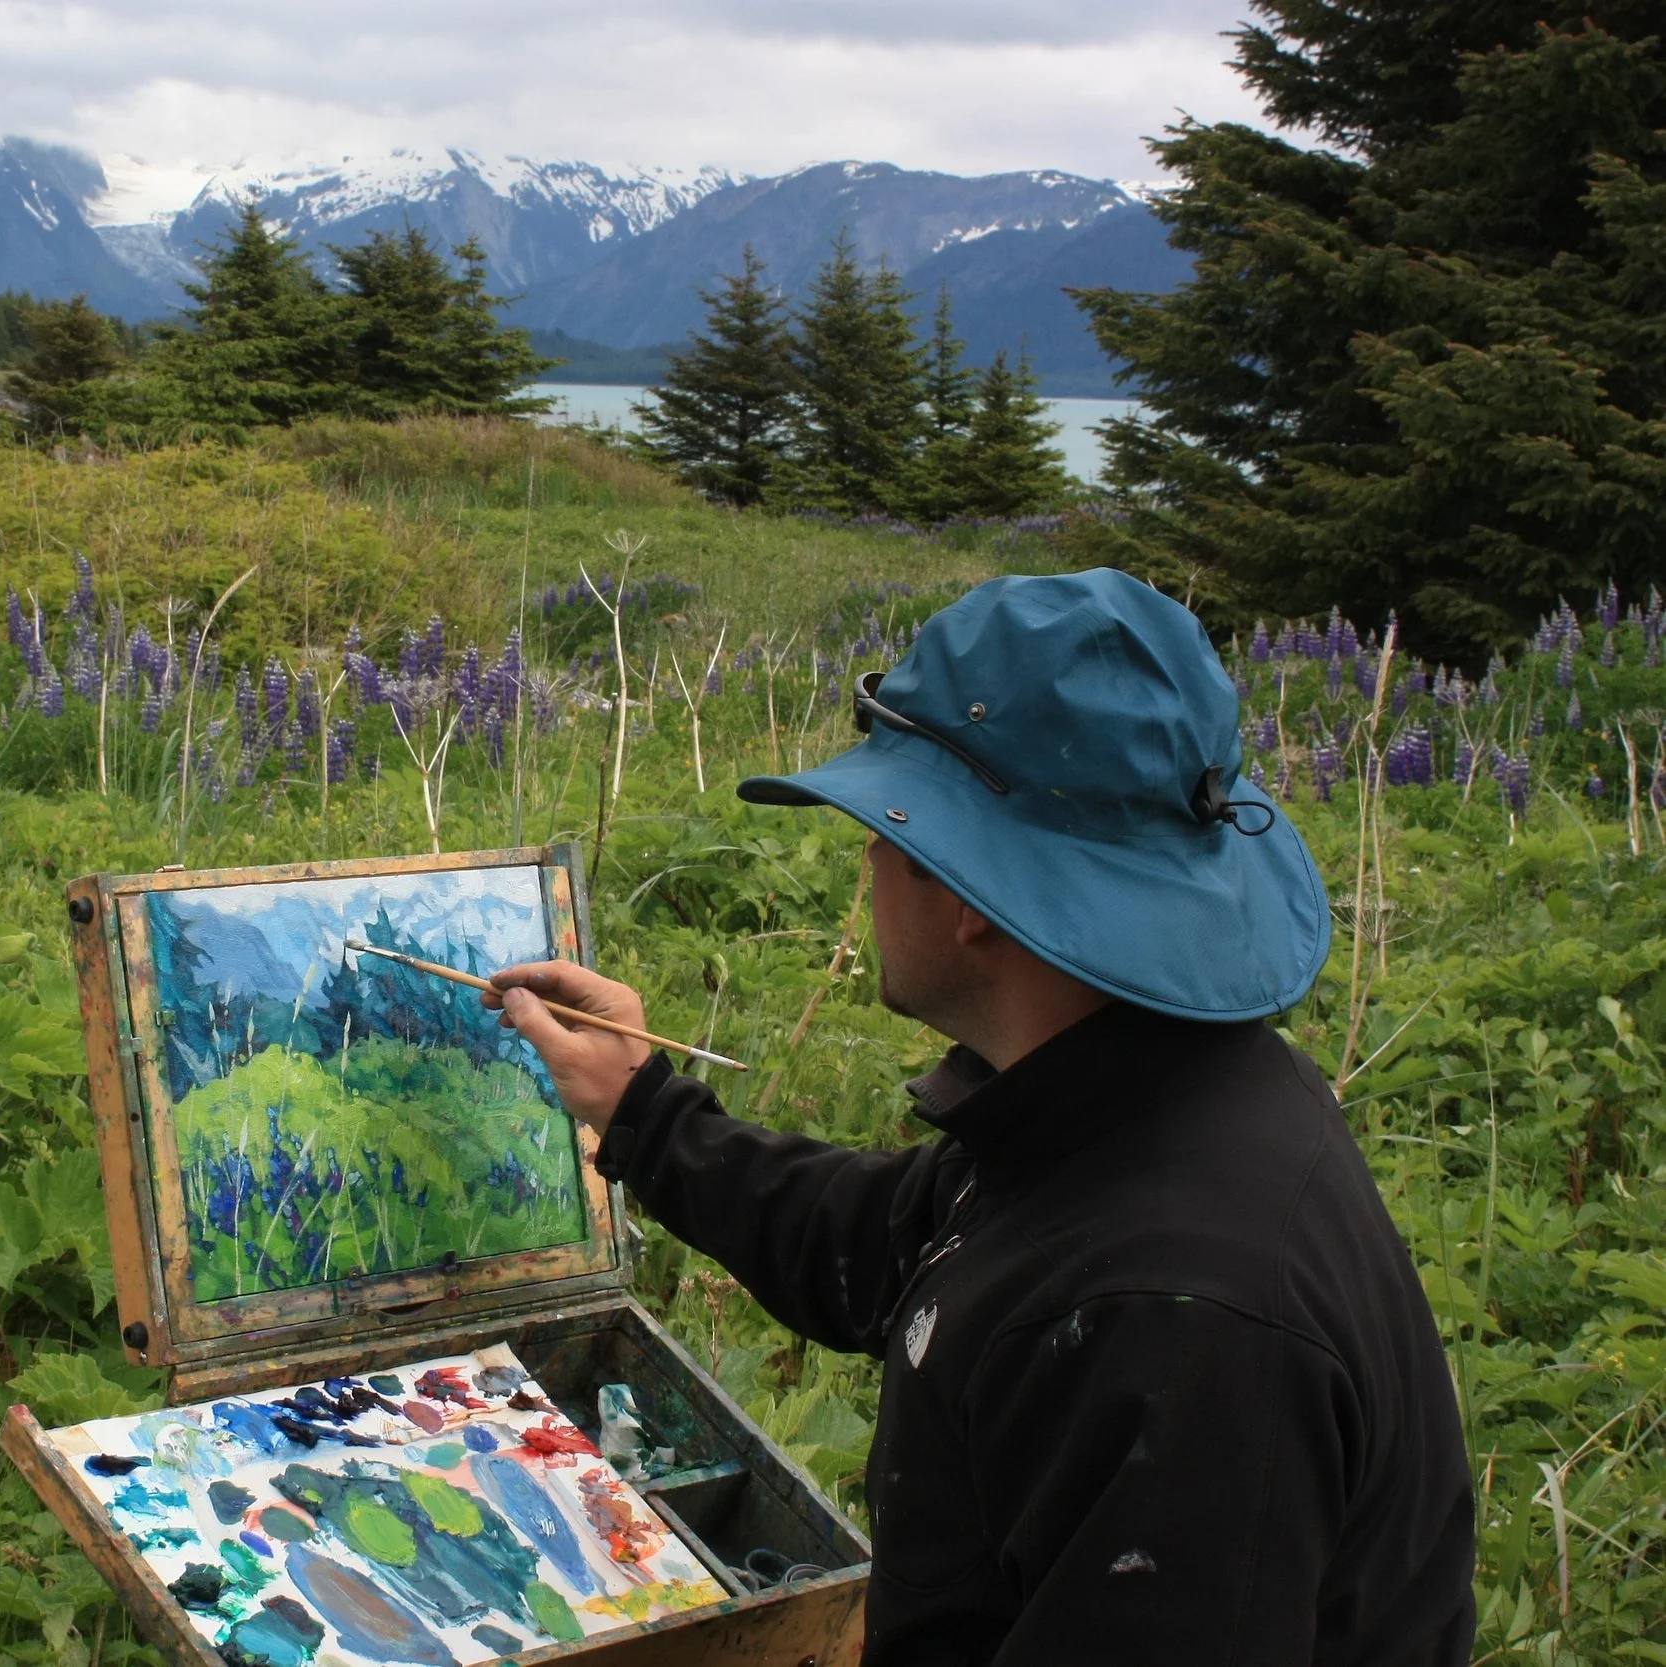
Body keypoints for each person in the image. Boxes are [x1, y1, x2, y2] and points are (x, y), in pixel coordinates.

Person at [484, 570, 1474, 1664]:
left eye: (885, 823)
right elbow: (891, 1244)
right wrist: (644, 1107)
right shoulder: (1134, 1090)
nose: (867, 854)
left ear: (965, 891)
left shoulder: (1174, 1329)